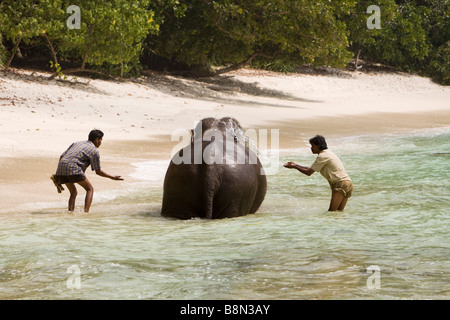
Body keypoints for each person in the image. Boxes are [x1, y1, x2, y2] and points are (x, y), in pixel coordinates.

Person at [51, 129, 123, 213]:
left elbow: (61, 156)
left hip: (61, 169)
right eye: (101, 140)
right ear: (97, 139)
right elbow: (98, 171)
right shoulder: (94, 150)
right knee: (90, 189)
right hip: (73, 168)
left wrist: (60, 172)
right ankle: (86, 212)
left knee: (73, 192)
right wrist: (111, 177)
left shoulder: (77, 143)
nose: (100, 142)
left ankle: (70, 212)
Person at [284, 135, 353, 211]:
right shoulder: (328, 153)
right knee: (338, 213)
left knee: (331, 213)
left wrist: (295, 166)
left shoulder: (322, 156)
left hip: (340, 184)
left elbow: (308, 172)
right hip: (348, 183)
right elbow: (310, 169)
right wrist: (295, 165)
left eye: (312, 145)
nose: (311, 148)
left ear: (319, 145)